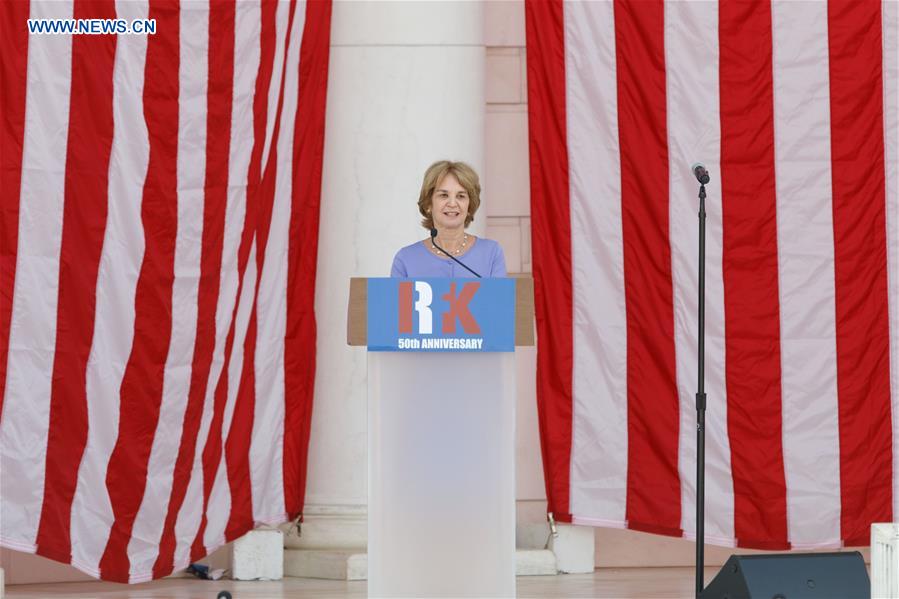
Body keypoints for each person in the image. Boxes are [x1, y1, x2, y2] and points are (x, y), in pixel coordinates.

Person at [391, 160, 507, 278]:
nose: (452, 204)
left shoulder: (491, 253)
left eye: (460, 196)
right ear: (429, 204)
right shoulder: (405, 259)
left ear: (469, 205)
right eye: (444, 195)